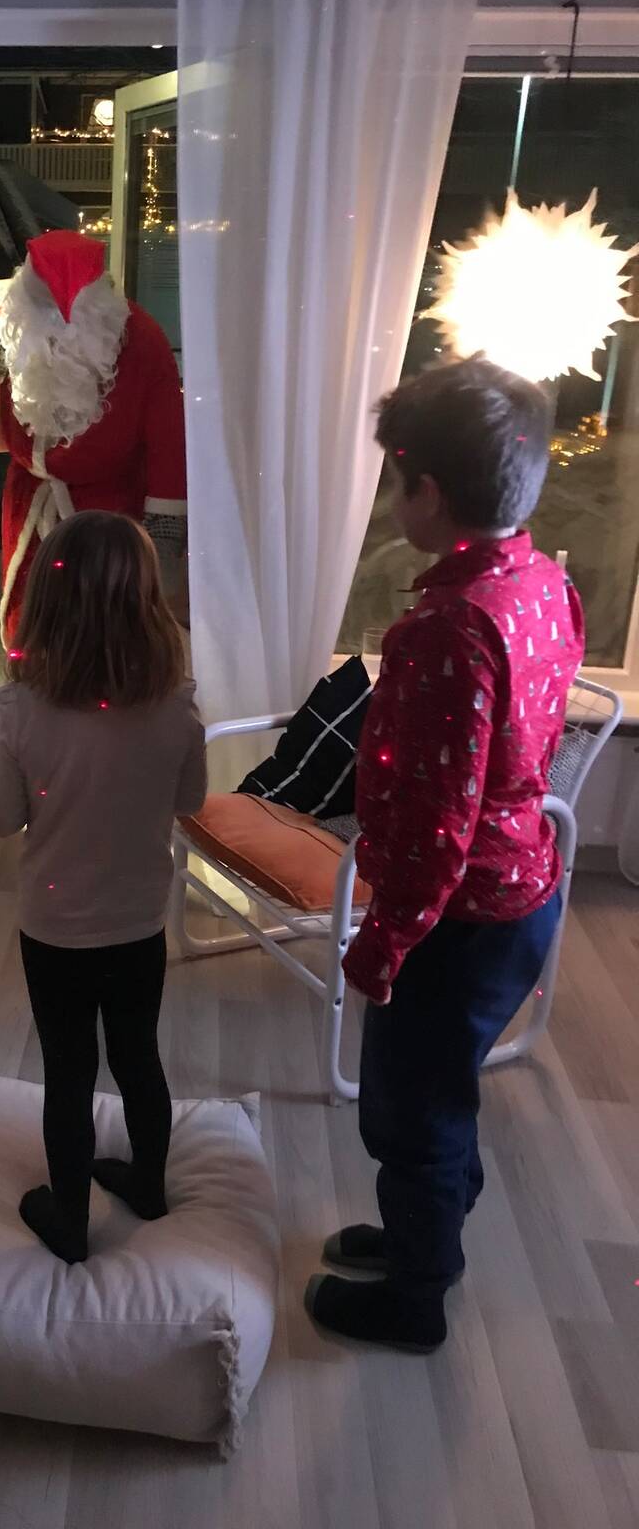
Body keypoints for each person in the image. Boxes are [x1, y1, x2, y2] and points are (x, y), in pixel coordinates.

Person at [306, 356, 584, 1352]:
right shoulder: (544, 582)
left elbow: (437, 826)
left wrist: (383, 942)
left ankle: (416, 1298)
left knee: (410, 1110)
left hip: (455, 917)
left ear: (427, 491)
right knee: (442, 1087)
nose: (393, 500)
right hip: (522, 895)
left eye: (396, 481)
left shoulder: (446, 629)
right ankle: (428, 1234)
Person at [0, 510, 207, 1263]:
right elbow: (191, 801)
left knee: (69, 1072)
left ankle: (71, 1220)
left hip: (56, 929)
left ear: (48, 604)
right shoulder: (176, 708)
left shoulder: (20, 712)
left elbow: (0, 821)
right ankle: (148, 1184)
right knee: (138, 1055)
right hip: (138, 921)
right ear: (147, 602)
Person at [0, 230, 188, 644]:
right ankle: (29, 679)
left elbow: (168, 443)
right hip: (30, 499)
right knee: (30, 621)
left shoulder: (142, 338)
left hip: (112, 512)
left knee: (103, 627)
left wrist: (163, 540)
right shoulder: (11, 325)